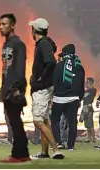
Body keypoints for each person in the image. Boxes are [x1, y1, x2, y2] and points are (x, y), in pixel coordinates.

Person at [27, 18, 64, 160]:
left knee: (38, 121)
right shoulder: (45, 44)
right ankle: (44, 152)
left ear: (34, 30)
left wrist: (39, 80)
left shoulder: (43, 44)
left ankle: (56, 150)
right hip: (44, 88)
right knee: (44, 120)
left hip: (41, 89)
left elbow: (51, 63)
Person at [0, 13, 30, 163]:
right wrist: (3, 87)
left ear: (12, 25)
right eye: (0, 25)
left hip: (14, 89)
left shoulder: (18, 44)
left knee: (15, 122)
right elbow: (6, 69)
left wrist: (17, 88)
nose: (1, 27)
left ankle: (18, 154)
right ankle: (22, 153)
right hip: (7, 88)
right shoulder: (6, 45)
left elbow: (20, 68)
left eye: (4, 24)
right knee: (13, 121)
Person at [50, 44, 85, 153]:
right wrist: (79, 98)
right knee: (72, 122)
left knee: (54, 120)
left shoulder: (59, 65)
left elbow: (53, 82)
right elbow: (81, 85)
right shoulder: (79, 66)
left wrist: (52, 95)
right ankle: (71, 146)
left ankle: (58, 142)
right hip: (73, 99)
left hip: (59, 99)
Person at [80, 77, 97, 143]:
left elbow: (89, 96)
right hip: (84, 108)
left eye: (87, 82)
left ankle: (93, 138)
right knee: (86, 124)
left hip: (89, 108)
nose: (85, 84)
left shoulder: (93, 90)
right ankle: (88, 138)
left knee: (90, 124)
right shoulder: (85, 91)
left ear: (90, 82)